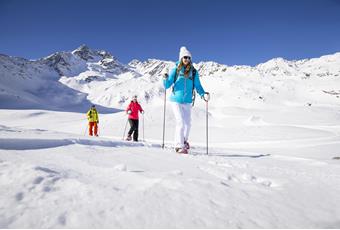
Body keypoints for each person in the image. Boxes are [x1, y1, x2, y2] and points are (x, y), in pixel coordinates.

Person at [163, 46, 210, 154]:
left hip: (187, 101)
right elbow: (167, 85)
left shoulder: (193, 72)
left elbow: (197, 85)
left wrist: (203, 94)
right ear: (181, 58)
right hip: (176, 100)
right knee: (180, 122)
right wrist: (165, 78)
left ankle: (183, 140)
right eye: (185, 57)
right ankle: (178, 146)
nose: (187, 60)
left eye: (189, 58)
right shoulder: (176, 69)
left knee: (188, 124)